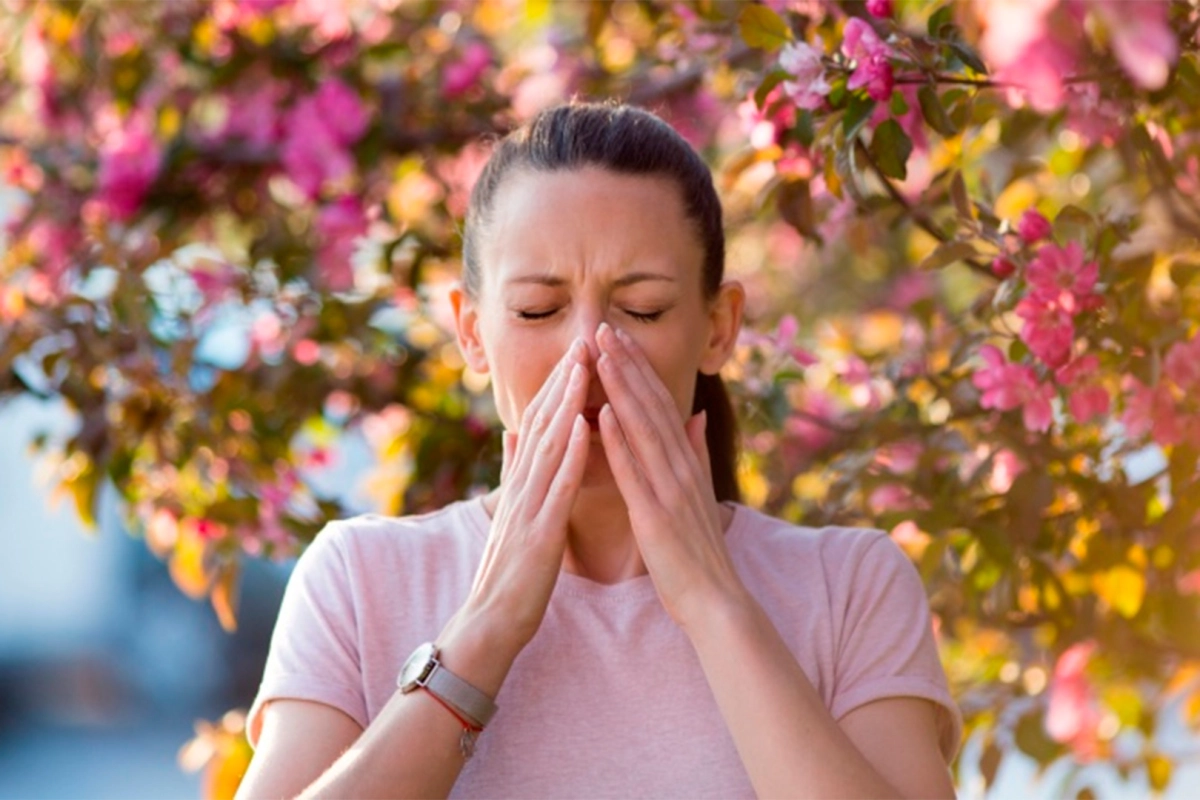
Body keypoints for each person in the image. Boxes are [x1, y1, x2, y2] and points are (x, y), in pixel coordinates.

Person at [235, 101, 962, 800]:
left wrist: (713, 603)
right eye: (537, 311)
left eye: (641, 309)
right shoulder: (359, 581)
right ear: (471, 331)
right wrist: (484, 630)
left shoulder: (850, 587)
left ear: (718, 326)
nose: (586, 348)